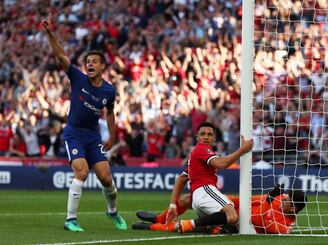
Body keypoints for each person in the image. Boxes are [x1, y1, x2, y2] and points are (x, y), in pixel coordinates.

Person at [41, 14, 127, 232]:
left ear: (102, 66)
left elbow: (110, 113)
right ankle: (71, 220)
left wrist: (113, 136)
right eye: (88, 62)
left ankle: (113, 212)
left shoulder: (109, 90)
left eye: (94, 62)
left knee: (106, 178)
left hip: (93, 136)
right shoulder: (77, 77)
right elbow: (61, 55)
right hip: (74, 133)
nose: (89, 64)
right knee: (81, 171)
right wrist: (51, 34)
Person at [133, 175, 307, 234]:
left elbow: (256, 218)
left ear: (294, 209)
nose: (283, 199)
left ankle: (151, 227)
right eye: (285, 196)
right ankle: (159, 218)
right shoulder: (280, 198)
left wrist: (269, 200)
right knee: (188, 198)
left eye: (287, 200)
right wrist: (226, 200)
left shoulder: (284, 227)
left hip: (234, 225)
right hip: (231, 212)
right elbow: (252, 200)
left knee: (188, 227)